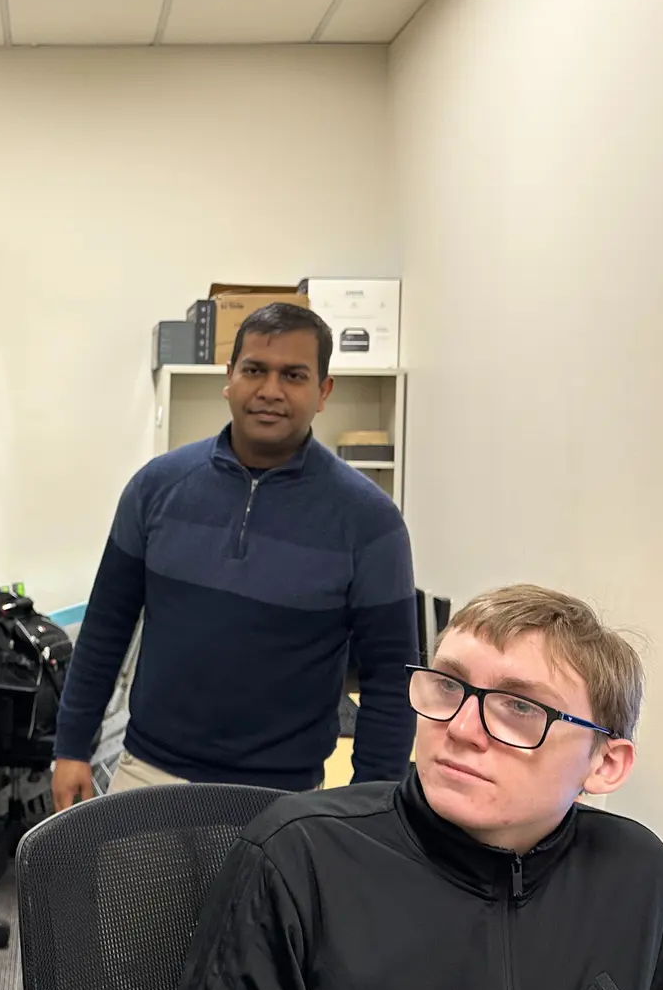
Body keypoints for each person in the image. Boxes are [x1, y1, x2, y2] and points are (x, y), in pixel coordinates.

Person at [163, 584, 663, 990]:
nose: (462, 729)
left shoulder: (639, 880)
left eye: (519, 707)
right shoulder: (300, 860)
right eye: (448, 685)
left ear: (605, 764)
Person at [52, 303, 417, 807]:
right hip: (148, 775)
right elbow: (104, 630)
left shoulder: (370, 521)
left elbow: (392, 683)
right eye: (254, 370)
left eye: (293, 375)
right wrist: (72, 746)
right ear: (229, 379)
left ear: (323, 391)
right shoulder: (157, 487)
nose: (270, 390)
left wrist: (370, 806)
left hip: (283, 797)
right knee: (129, 891)